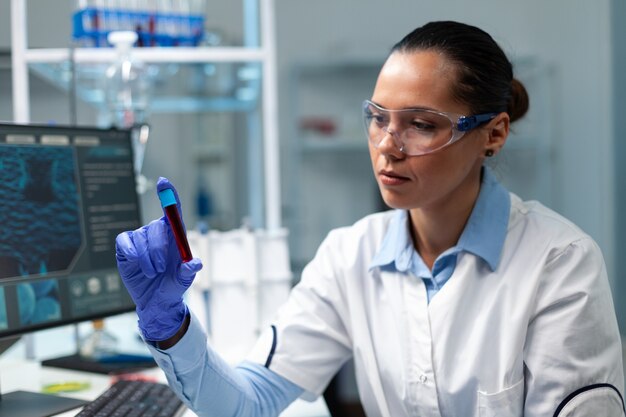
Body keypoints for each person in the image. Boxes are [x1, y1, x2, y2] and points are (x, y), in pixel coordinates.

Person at [115, 20, 625, 417]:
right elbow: (248, 403)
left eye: (421, 125)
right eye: (379, 118)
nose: (387, 146)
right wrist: (171, 327)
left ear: (493, 134)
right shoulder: (349, 256)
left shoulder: (559, 264)